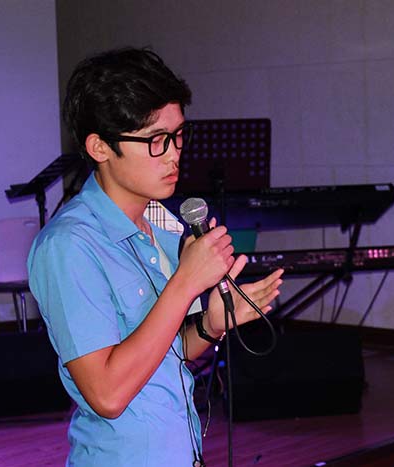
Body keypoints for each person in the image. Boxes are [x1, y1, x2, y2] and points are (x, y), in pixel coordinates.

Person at [27, 47, 284, 466]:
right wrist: (185, 283)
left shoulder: (161, 223)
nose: (173, 153)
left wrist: (211, 326)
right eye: (155, 140)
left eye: (179, 135)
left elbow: (163, 352)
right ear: (100, 147)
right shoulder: (69, 245)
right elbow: (108, 394)